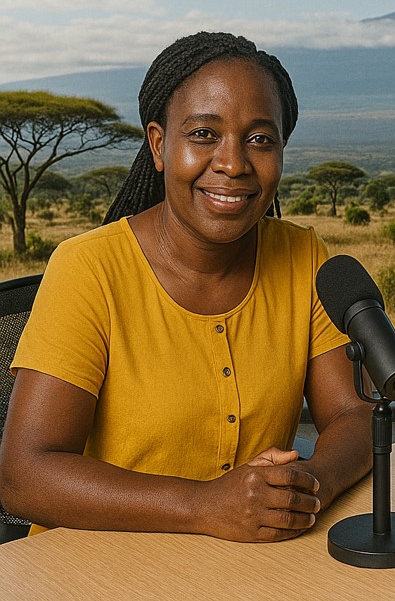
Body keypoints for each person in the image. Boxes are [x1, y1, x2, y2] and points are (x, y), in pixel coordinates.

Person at [0, 32, 372, 542]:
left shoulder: (302, 256)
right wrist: (207, 506)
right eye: (203, 134)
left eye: (261, 139)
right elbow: (23, 477)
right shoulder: (89, 268)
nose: (233, 162)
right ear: (159, 144)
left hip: (242, 568)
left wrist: (311, 484)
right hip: (88, 569)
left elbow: (354, 414)